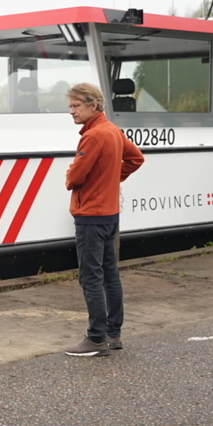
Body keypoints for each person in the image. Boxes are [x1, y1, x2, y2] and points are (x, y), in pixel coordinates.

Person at [63, 83, 145, 357]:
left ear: (93, 105)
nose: (71, 111)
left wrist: (72, 175)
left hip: (90, 216)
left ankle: (95, 339)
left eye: (76, 106)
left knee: (91, 277)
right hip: (110, 215)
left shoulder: (93, 136)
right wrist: (112, 178)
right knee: (110, 275)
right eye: (70, 106)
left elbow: (75, 178)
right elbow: (136, 159)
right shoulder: (113, 131)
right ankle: (114, 333)